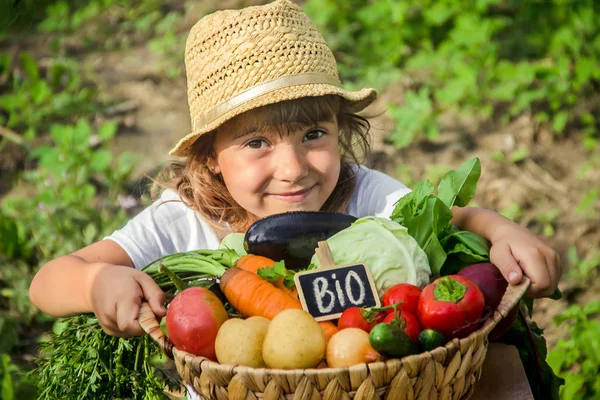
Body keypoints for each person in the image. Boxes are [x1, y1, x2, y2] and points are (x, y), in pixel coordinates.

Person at [30, 0, 561, 375]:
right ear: (211, 159)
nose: (294, 168)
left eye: (313, 134)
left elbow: (447, 220)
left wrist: (497, 227)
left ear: (341, 131)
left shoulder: (365, 196)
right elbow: (48, 282)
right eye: (256, 142)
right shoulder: (185, 220)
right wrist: (97, 281)